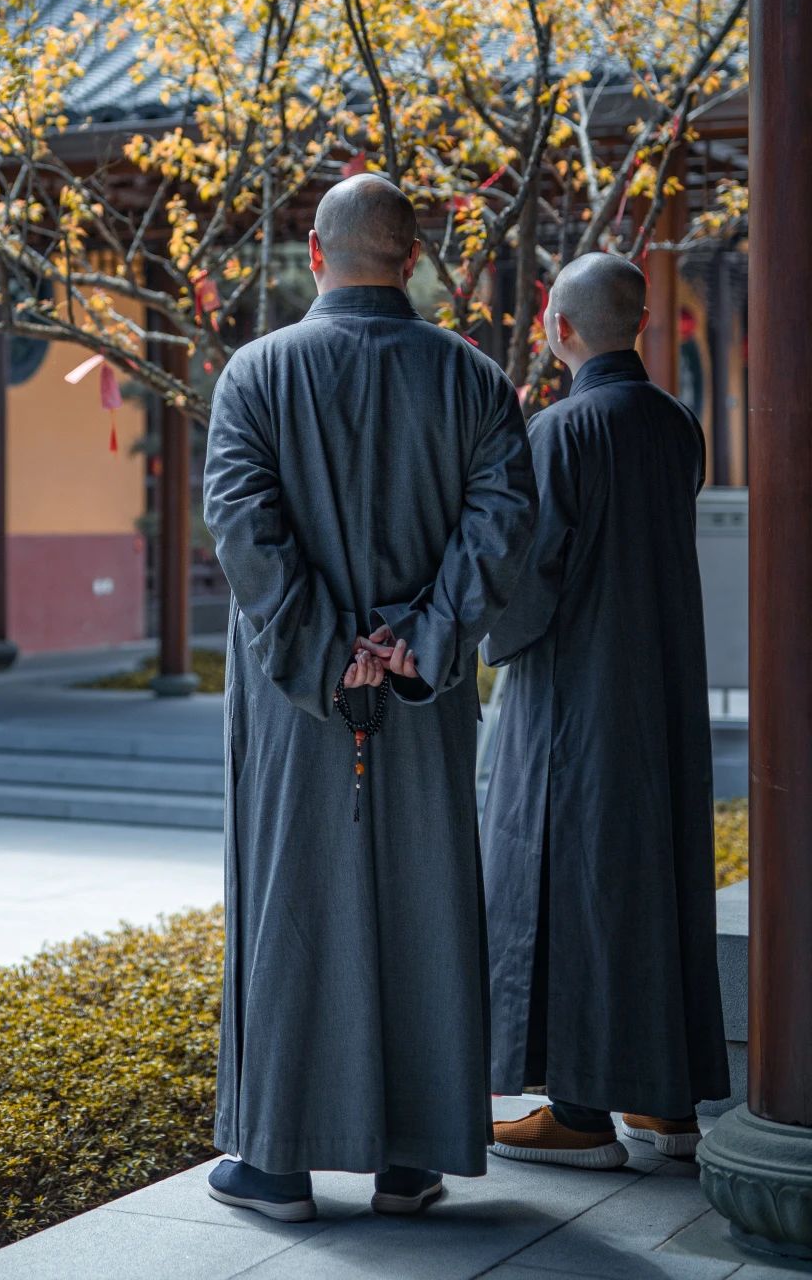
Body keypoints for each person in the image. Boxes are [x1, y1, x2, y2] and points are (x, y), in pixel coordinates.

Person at [201, 173, 537, 1222]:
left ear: (313, 250)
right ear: (412, 259)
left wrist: (319, 645)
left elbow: (241, 527)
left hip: (295, 698)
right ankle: (413, 1159)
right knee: (425, 896)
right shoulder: (473, 381)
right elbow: (502, 522)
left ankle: (277, 1165)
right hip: (419, 690)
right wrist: (422, 637)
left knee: (289, 897)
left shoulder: (253, 375)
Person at [482, 252, 729, 1170]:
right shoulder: (679, 427)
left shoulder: (560, 430)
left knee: (573, 886)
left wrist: (482, 638)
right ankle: (666, 1107)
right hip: (661, 692)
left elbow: (527, 577)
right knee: (651, 880)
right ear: (644, 324)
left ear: (561, 328)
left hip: (575, 700)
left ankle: (581, 1113)